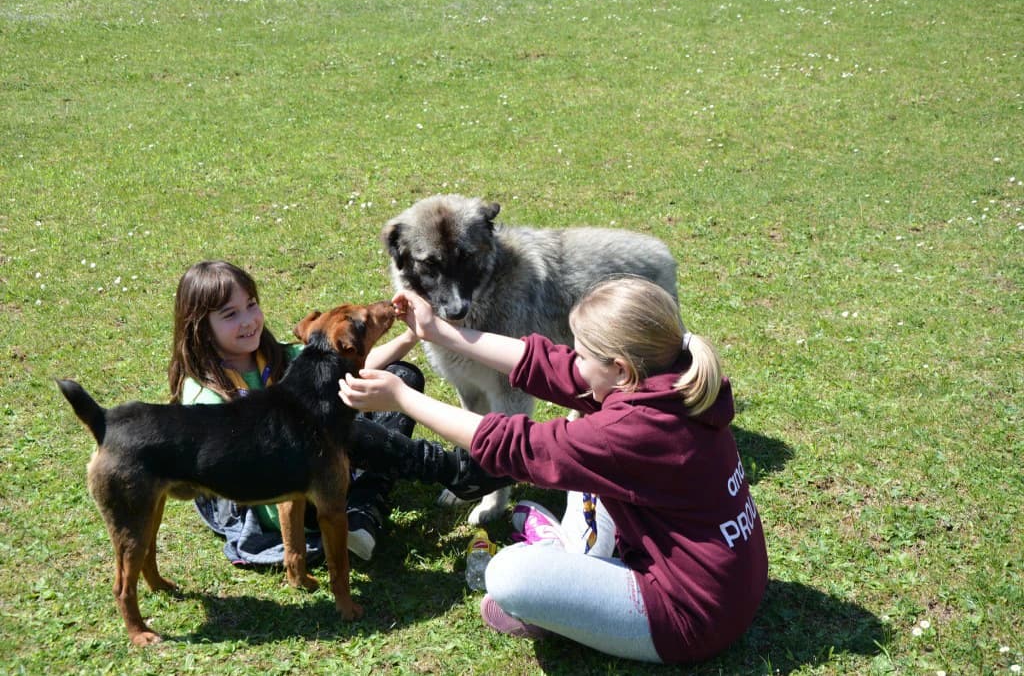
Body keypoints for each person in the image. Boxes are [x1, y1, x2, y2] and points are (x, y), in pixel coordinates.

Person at [338, 276, 768, 665]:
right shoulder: (670, 377)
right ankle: (575, 560)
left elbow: (515, 445)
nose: (573, 363)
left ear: (620, 369)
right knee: (583, 438)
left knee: (507, 575)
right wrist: (440, 331)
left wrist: (403, 397)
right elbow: (549, 365)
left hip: (688, 620)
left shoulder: (629, 431)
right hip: (729, 589)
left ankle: (565, 587)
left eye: (582, 355)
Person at [167, 260, 508, 565]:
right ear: (200, 327)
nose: (248, 321)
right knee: (341, 431)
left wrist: (409, 338)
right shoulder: (206, 396)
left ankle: (362, 513)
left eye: (251, 305)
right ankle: (450, 471)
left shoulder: (276, 356)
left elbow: (347, 368)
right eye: (230, 314)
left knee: (399, 376)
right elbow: (234, 469)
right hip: (273, 494)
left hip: (317, 466)